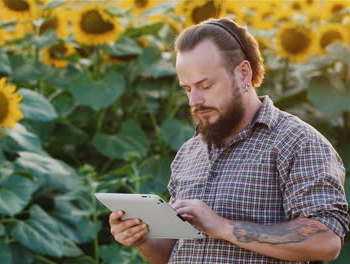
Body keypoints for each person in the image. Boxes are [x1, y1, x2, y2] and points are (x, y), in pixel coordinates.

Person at [108, 18, 350, 263]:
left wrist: (223, 227)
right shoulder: (190, 151)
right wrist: (142, 240)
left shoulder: (297, 141)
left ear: (243, 73)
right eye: (188, 89)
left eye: (205, 85)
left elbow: (326, 241)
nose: (195, 100)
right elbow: (175, 255)